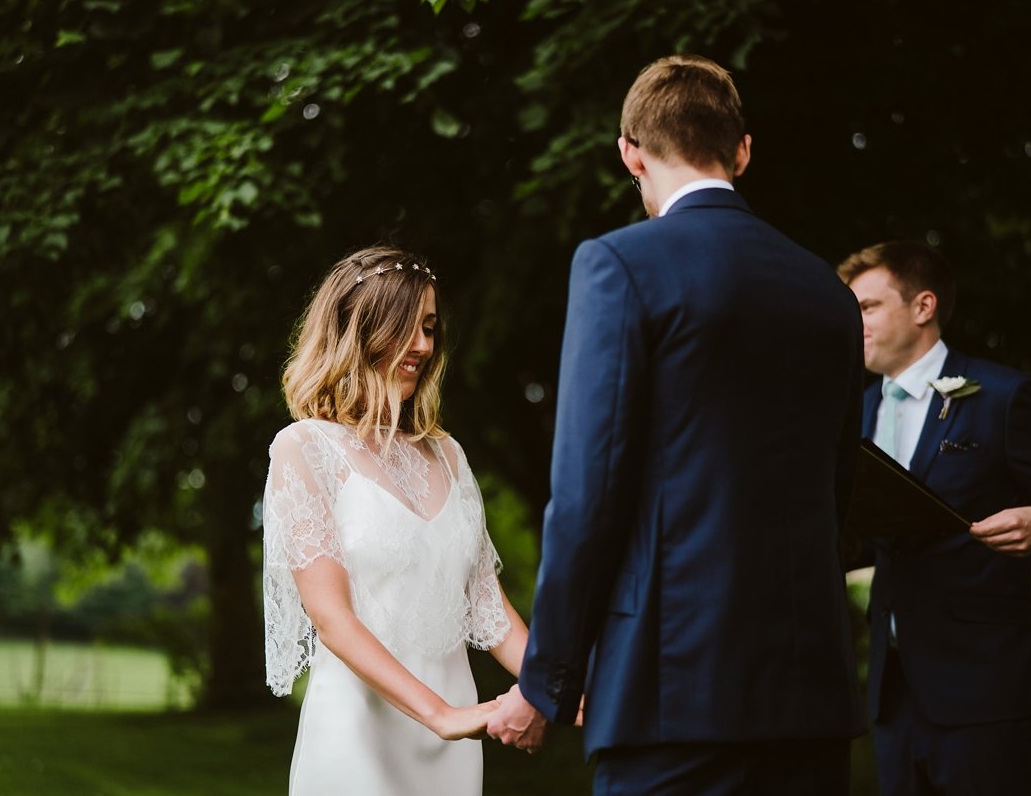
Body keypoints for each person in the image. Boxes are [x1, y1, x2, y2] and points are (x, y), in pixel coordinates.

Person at [488, 55, 866, 794]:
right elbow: (838, 487)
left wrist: (547, 684)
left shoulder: (620, 265)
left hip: (673, 688)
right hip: (810, 693)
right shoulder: (826, 290)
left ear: (630, 151)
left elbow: (587, 495)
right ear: (743, 150)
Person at [838, 240, 1031, 795]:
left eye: (867, 307)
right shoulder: (860, 408)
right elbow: (889, 533)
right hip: (893, 690)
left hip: (987, 687)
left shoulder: (1004, 397)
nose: (854, 322)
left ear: (923, 306)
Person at [260, 246, 529, 796]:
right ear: (357, 329)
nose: (424, 345)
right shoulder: (305, 448)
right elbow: (331, 617)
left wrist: (563, 689)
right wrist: (440, 715)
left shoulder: (449, 455)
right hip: (360, 734)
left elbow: (488, 608)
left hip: (453, 742)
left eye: (430, 327)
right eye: (407, 326)